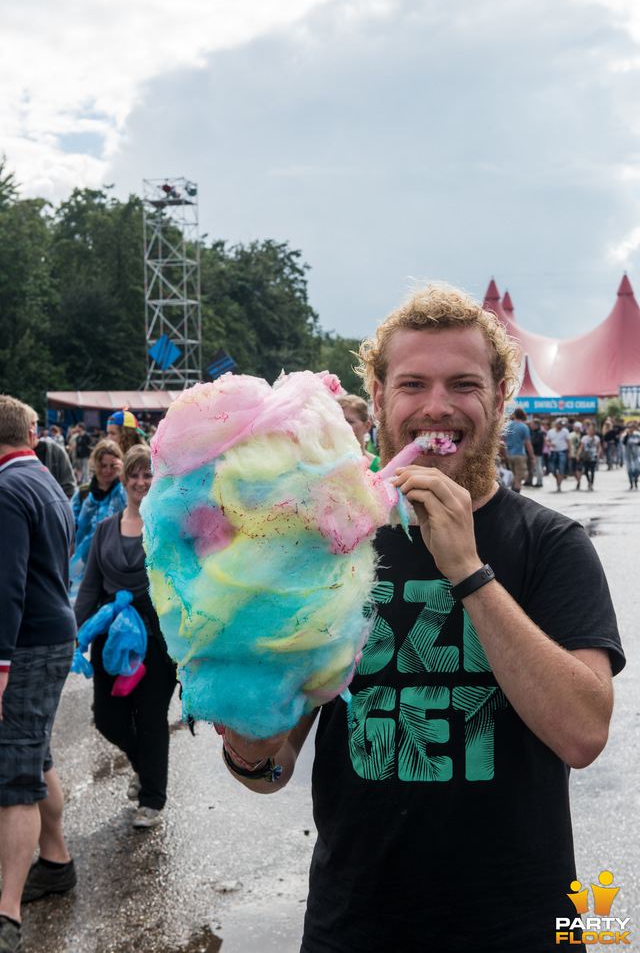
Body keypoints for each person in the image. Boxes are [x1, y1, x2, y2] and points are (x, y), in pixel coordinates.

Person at [219, 282, 625, 953]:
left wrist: (468, 570)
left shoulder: (550, 545)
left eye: (464, 383)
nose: (437, 405)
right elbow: (271, 764)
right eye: (413, 384)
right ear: (377, 398)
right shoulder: (327, 546)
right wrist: (245, 734)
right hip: (355, 928)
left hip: (520, 929)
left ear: (500, 398)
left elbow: (583, 733)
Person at [0, 396, 77, 953]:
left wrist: (0, 664)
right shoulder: (45, 479)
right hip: (55, 631)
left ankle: (6, 914)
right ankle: (56, 859)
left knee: (14, 778)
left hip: (25, 643)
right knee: (37, 754)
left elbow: (6, 586)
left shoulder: (6, 490)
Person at [74, 446, 177, 829]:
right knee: (108, 719)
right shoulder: (104, 529)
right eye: (134, 475)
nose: (140, 482)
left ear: (157, 480)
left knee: (151, 720)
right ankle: (144, 766)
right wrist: (75, 634)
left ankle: (152, 799)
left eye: (148, 475)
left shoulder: (167, 528)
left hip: (156, 640)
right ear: (124, 480)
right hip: (112, 640)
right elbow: (88, 588)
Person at [69, 440, 126, 600]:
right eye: (103, 466)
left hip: (116, 565)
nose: (107, 471)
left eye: (112, 466)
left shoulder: (124, 491)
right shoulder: (83, 493)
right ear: (95, 464)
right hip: (86, 565)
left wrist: (124, 477)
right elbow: (73, 528)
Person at [28, 410, 76, 501]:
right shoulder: (12, 454)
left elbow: (69, 489)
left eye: (34, 423)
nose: (31, 429)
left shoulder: (54, 451)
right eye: (26, 423)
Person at [337, 394, 380, 471]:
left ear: (367, 426)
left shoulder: (381, 467)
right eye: (338, 421)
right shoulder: (323, 466)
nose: (341, 426)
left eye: (349, 421)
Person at [503, 406, 534, 492]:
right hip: (520, 454)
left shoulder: (507, 425)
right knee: (519, 478)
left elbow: (502, 440)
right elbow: (528, 443)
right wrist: (532, 457)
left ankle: (511, 495)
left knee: (513, 476)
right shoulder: (524, 427)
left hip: (508, 454)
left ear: (514, 415)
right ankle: (516, 498)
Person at [546, 417, 571, 491]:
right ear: (557, 424)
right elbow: (547, 441)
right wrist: (550, 444)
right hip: (553, 452)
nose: (562, 425)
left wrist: (569, 452)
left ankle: (559, 484)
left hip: (562, 452)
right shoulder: (551, 431)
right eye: (560, 424)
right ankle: (558, 480)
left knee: (561, 469)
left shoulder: (565, 431)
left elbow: (568, 442)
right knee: (552, 470)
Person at [577, 421, 603, 492]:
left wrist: (598, 453)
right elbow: (581, 447)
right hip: (586, 456)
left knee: (592, 471)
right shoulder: (584, 438)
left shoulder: (596, 438)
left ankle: (591, 483)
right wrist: (578, 455)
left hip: (593, 456)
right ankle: (589, 481)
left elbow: (599, 447)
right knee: (585, 471)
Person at [620, 420, 640, 489]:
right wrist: (628, 435)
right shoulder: (624, 435)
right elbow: (624, 443)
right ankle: (631, 483)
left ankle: (636, 481)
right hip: (628, 456)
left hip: (636, 455)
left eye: (631, 427)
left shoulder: (637, 434)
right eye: (629, 427)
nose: (630, 428)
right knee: (630, 470)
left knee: (637, 469)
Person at [528, 417, 545, 487]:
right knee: (537, 467)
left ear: (536, 425)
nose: (531, 426)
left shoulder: (540, 433)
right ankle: (538, 481)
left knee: (538, 467)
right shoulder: (534, 432)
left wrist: (530, 443)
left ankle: (539, 482)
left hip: (537, 452)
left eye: (533, 424)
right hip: (535, 452)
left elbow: (536, 442)